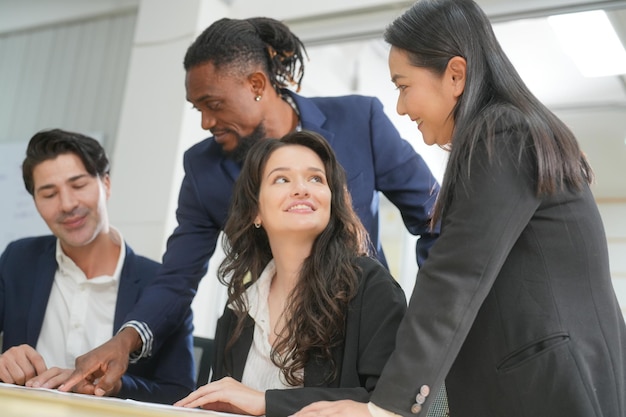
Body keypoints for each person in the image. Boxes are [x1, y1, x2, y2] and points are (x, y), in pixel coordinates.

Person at [61, 16, 440, 396]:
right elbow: (177, 277)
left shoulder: (360, 120)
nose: (208, 121)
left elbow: (436, 217)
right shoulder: (204, 170)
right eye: (199, 109)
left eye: (214, 104)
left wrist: (429, 314)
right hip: (259, 334)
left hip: (356, 337)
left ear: (256, 84)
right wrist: (126, 340)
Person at [292, 1, 626, 417]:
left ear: (455, 75)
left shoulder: (502, 133)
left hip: (549, 387)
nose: (400, 107)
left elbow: (456, 273)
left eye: (403, 85)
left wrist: (385, 407)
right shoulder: (509, 132)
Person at [173, 129, 406, 417]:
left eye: (316, 178)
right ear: (255, 212)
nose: (302, 189)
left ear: (331, 203)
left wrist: (265, 403)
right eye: (282, 179)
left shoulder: (371, 287)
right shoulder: (238, 311)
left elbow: (389, 402)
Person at [0, 129, 195, 404]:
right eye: (49, 194)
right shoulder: (18, 259)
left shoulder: (162, 285)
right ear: (35, 202)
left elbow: (180, 394)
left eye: (78, 185)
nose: (67, 204)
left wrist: (115, 387)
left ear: (106, 184)